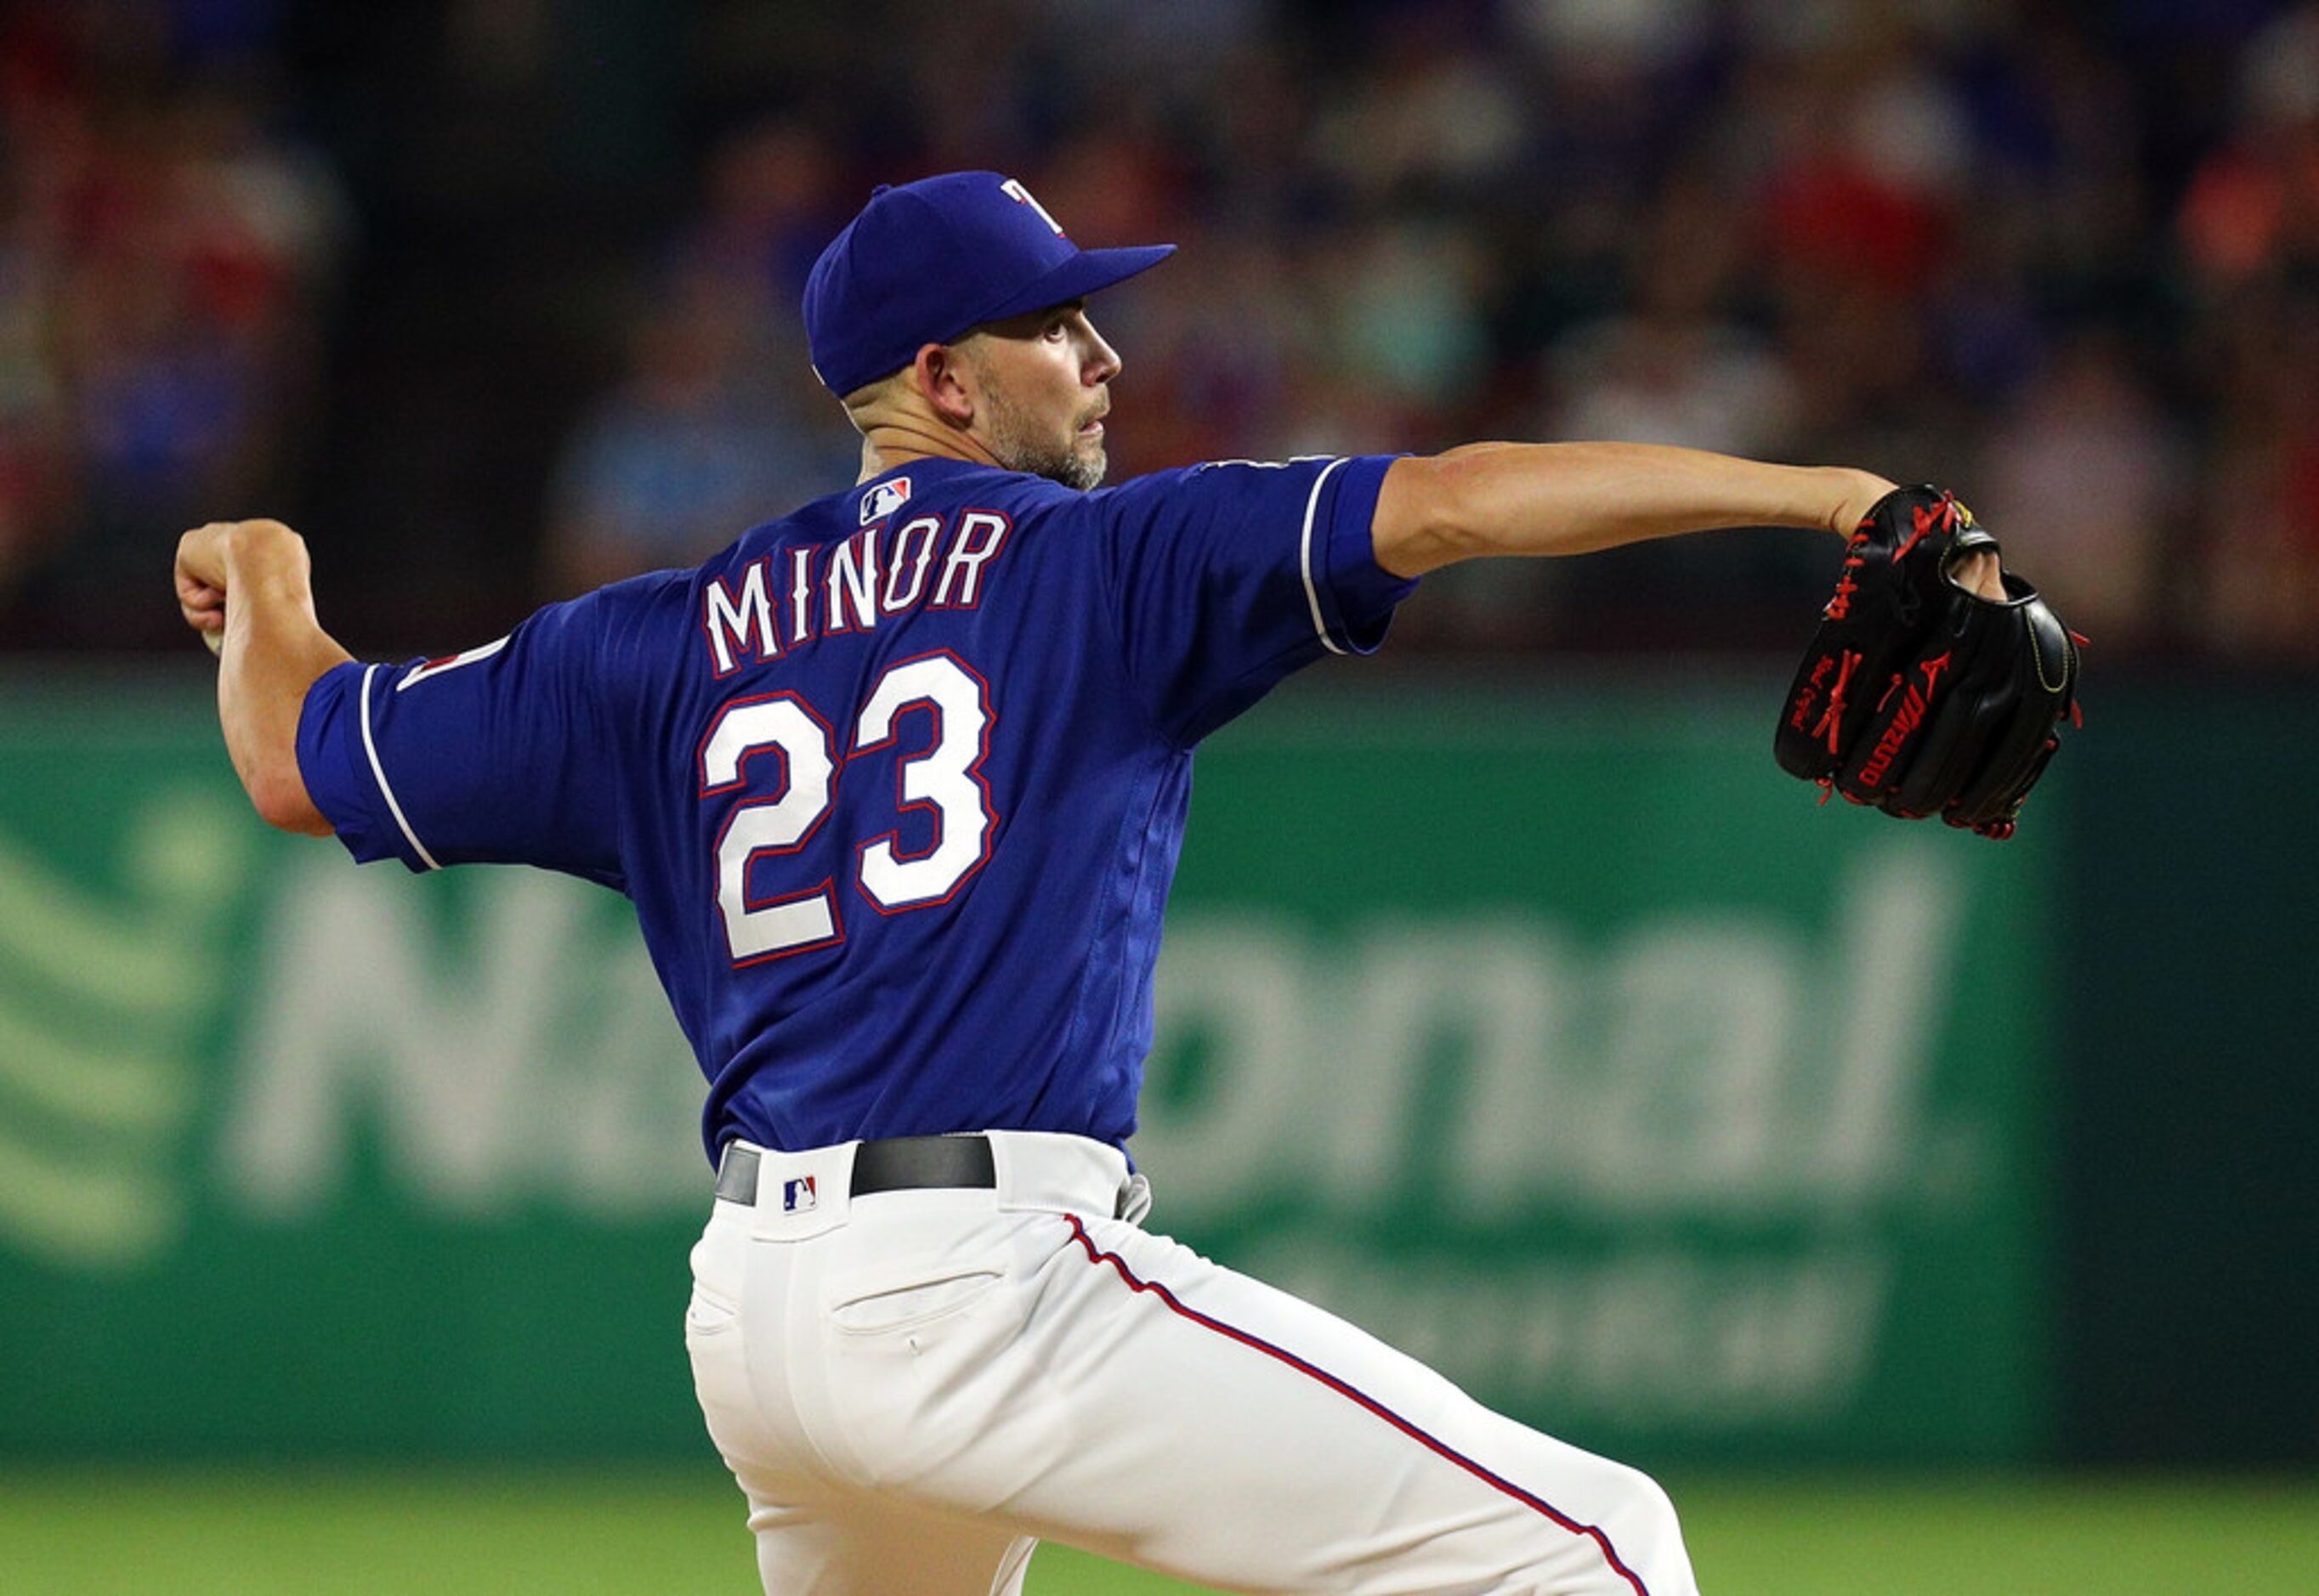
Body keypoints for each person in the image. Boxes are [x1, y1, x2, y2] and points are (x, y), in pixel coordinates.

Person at [177, 171, 1998, 1595]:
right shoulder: (1100, 567)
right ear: (948, 381)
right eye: (1059, 326)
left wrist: (261, 563)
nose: (1108, 356)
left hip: (756, 1323)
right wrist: (1822, 493)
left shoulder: (650, 645)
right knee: (1588, 1554)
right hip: (980, 1284)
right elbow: (1453, 501)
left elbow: (293, 751)